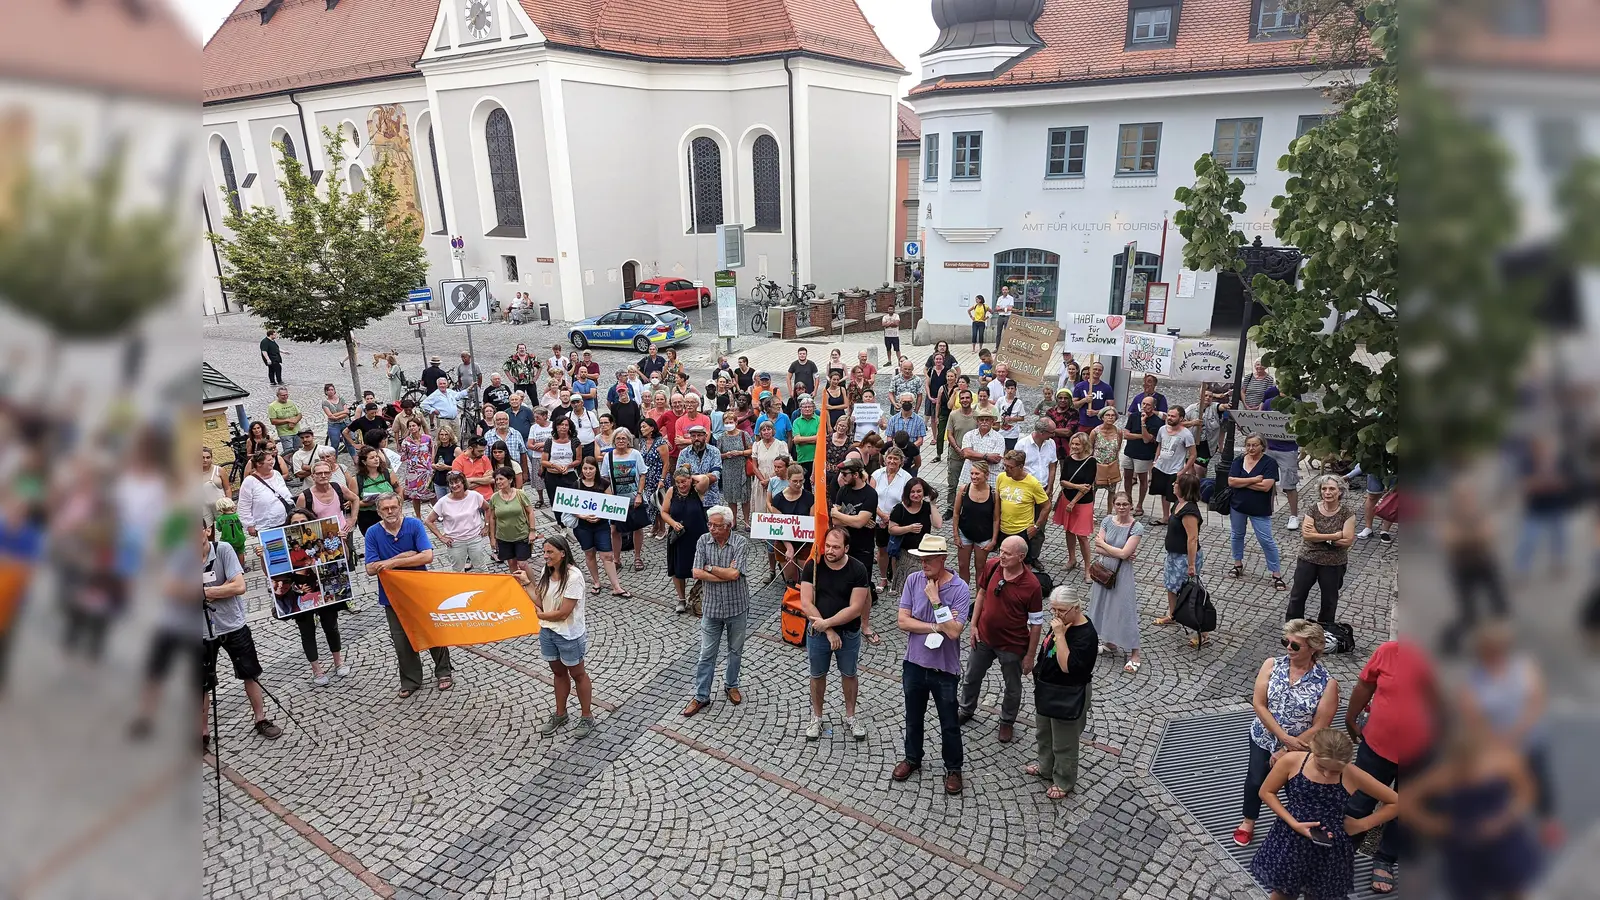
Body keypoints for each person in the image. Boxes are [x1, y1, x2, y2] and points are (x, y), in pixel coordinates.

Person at [1404, 715, 1543, 900]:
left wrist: (1506, 818)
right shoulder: (1444, 775)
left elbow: (1526, 791)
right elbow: (1406, 801)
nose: (1469, 772)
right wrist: (1435, 825)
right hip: (1464, 847)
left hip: (1503, 840)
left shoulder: (1503, 763)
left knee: (1513, 888)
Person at [1249, 729, 1399, 900]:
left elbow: (1396, 802)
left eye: (1335, 771)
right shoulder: (1293, 761)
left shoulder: (1353, 774)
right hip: (1290, 839)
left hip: (1329, 847)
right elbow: (1266, 792)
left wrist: (1361, 825)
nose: (1327, 774)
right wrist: (1293, 822)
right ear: (1312, 749)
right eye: (1321, 767)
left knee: (1319, 895)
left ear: (1347, 761)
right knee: (1283, 893)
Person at [1343, 638, 1437, 894]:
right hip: (1376, 747)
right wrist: (1351, 715)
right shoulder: (1389, 651)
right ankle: (1343, 852)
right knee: (1359, 800)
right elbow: (1366, 684)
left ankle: (1385, 858)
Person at [1234, 619, 1339, 847]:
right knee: (1254, 781)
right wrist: (1281, 737)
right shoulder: (1272, 665)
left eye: (1295, 645)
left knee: (1298, 791)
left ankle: (1295, 830)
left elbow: (1320, 725)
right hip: (1263, 737)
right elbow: (1259, 704)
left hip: (1300, 748)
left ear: (1313, 649)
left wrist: (1288, 748)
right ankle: (1248, 821)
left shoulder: (1327, 684)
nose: (1288, 649)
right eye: (1286, 642)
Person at [1459, 622, 1558, 850]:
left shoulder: (1523, 668)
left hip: (1530, 740)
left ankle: (1547, 822)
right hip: (1497, 747)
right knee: (1503, 791)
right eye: (1488, 649)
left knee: (1540, 781)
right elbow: (1471, 714)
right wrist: (1494, 740)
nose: (1494, 653)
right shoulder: (1475, 678)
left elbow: (1536, 701)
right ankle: (1508, 832)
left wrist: (1516, 732)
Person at [893, 535, 971, 795]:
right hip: (914, 663)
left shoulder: (960, 589)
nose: (923, 563)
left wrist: (936, 601)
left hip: (945, 669)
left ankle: (953, 768)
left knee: (949, 722)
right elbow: (903, 621)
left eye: (928, 559)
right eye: (921, 558)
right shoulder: (914, 580)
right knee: (913, 718)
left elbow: (954, 632)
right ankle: (912, 758)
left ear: (942, 559)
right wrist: (935, 625)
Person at [958, 534, 1043, 743]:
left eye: (1007, 553)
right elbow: (981, 595)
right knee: (971, 677)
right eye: (1001, 551)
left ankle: (1007, 721)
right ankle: (966, 709)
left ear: (1021, 557)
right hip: (984, 637)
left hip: (1012, 645)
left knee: (1012, 687)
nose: (1002, 556)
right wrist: (973, 625)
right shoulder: (993, 566)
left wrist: (1030, 656)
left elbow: (1036, 624)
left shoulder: (1032, 586)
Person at [365, 493, 452, 696]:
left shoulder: (414, 525)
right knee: (401, 639)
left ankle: (443, 671)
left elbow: (427, 555)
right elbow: (370, 568)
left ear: (400, 506)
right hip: (392, 596)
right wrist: (408, 555)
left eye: (393, 507)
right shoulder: (372, 533)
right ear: (379, 511)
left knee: (432, 631)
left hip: (420, 591)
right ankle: (411, 680)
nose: (390, 512)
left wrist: (391, 562)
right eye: (385, 509)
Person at [520, 536, 596, 740]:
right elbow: (540, 600)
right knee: (558, 673)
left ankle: (587, 716)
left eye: (550, 552)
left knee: (578, 674)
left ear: (563, 553)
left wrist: (541, 616)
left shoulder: (574, 577)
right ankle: (560, 714)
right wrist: (527, 583)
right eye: (544, 552)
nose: (545, 556)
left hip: (569, 634)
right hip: (548, 633)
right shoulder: (547, 571)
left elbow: (563, 613)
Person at [799, 527, 872, 741]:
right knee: (817, 675)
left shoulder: (858, 569)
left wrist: (828, 623)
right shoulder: (813, 564)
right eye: (827, 545)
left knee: (849, 674)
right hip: (819, 633)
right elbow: (806, 602)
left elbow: (856, 608)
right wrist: (829, 631)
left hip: (848, 633)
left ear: (846, 548)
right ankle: (817, 717)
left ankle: (850, 716)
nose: (829, 550)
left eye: (836, 547)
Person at [1026, 588, 1097, 799]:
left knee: (1064, 741)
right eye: (1053, 609)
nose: (1057, 615)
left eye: (1062, 610)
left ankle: (1064, 780)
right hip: (1048, 688)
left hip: (1068, 693)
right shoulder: (1062, 622)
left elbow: (1067, 666)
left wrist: (1059, 635)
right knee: (1044, 732)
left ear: (1076, 607)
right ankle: (1045, 767)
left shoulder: (1085, 634)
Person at [682, 506, 751, 715]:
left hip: (737, 606)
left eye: (717, 526)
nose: (712, 529)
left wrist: (709, 567)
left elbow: (735, 575)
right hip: (711, 608)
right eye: (710, 524)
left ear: (728, 526)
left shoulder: (740, 542)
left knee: (735, 651)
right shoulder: (703, 541)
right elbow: (695, 572)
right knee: (706, 654)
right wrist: (723, 572)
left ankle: (731, 684)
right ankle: (701, 695)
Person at [1087, 491, 1146, 673]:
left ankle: (1135, 653)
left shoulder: (1136, 528)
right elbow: (1098, 549)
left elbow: (1122, 553)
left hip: (1121, 574)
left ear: (1130, 505)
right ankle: (1109, 641)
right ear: (1114, 505)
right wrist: (1118, 551)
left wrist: (1106, 546)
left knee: (1125, 609)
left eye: (1125, 504)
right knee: (1102, 605)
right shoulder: (1107, 521)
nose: (1121, 507)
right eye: (1118, 504)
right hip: (1104, 571)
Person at [1286, 474, 1357, 625]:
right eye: (1324, 489)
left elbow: (1347, 541)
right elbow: (1307, 536)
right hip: (1308, 558)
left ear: (1340, 492)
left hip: (1334, 563)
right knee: (1297, 596)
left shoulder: (1347, 513)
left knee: (1329, 600)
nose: (1327, 492)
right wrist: (1334, 536)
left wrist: (1319, 536)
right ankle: (1292, 627)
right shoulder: (1313, 509)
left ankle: (1325, 629)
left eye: (1332, 488)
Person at [1153, 471, 1209, 645]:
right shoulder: (1178, 503)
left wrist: (1191, 565)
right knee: (1171, 586)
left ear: (1183, 488)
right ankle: (1173, 615)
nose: (1173, 485)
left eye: (1176, 483)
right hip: (1174, 554)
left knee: (1190, 593)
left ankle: (1203, 633)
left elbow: (1192, 539)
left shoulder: (1189, 511)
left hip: (1185, 558)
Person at [830, 459, 881, 644]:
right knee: (840, 582)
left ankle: (865, 625)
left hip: (863, 549)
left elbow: (857, 522)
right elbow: (835, 521)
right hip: (844, 545)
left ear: (856, 475)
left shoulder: (870, 494)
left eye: (845, 474)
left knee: (864, 587)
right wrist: (854, 520)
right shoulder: (843, 490)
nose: (841, 478)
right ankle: (841, 618)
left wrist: (848, 518)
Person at [1229, 433, 1287, 590]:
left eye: (1254, 445)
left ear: (1262, 446)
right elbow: (1231, 481)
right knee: (1237, 535)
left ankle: (1276, 573)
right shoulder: (1239, 460)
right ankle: (1237, 563)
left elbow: (1266, 486)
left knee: (1266, 540)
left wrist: (1242, 482)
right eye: (1248, 445)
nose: (1251, 448)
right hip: (1238, 506)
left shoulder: (1270, 463)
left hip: (1259, 509)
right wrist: (1254, 480)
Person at [571, 457, 626, 596]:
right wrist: (583, 516)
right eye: (585, 468)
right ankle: (596, 582)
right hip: (583, 526)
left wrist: (600, 516)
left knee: (607, 555)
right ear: (581, 469)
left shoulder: (604, 483)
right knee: (589, 553)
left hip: (601, 525)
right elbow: (570, 507)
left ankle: (616, 586)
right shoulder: (576, 485)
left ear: (596, 469)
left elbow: (611, 503)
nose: (588, 471)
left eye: (591, 468)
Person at [659, 466, 710, 613]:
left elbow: (705, 479)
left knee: (701, 565)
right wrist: (673, 523)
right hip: (678, 535)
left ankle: (700, 595)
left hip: (698, 534)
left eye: (684, 481)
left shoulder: (697, 490)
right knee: (678, 568)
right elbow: (664, 512)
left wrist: (690, 475)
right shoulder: (671, 491)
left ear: (690, 480)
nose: (681, 485)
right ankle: (681, 598)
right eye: (678, 482)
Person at [426, 471, 491, 572]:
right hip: (455, 542)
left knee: (481, 567)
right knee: (458, 571)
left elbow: (488, 508)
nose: (454, 485)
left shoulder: (474, 496)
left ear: (463, 482)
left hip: (474, 538)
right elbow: (429, 521)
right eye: (451, 483)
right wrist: (441, 537)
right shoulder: (443, 502)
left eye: (457, 482)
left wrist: (486, 526)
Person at [1259, 383, 1303, 531]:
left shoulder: (1297, 405)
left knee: (1289, 484)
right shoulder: (1268, 403)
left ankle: (1294, 515)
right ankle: (1267, 510)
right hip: (1269, 447)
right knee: (1267, 482)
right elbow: (1260, 420)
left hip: (1288, 449)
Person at [604, 428, 648, 572]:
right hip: (617, 500)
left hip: (634, 497)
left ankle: (637, 557)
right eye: (618, 438)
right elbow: (605, 478)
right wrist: (610, 497)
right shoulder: (608, 457)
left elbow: (642, 475)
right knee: (614, 530)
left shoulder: (635, 454)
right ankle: (616, 559)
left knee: (637, 528)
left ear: (629, 440)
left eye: (624, 438)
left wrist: (639, 494)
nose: (621, 441)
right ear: (614, 440)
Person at [997, 448, 1051, 566]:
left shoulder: (1033, 483)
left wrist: (1036, 526)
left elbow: (1047, 506)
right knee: (1004, 562)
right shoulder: (1001, 477)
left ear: (1021, 466)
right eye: (1005, 465)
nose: (1007, 470)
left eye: (1010, 467)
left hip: (1022, 531)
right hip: (1004, 529)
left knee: (1023, 565)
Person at [237, 450, 293, 561]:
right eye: (269, 460)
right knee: (273, 554)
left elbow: (285, 493)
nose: (273, 461)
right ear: (259, 464)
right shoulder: (249, 482)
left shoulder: (277, 474)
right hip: (267, 525)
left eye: (272, 458)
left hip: (285, 520)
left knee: (291, 551)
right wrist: (249, 524)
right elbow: (244, 505)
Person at [1055, 432, 1097, 574]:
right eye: (1073, 443)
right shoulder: (1068, 459)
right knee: (1068, 530)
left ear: (1085, 445)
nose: (1074, 446)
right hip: (1067, 499)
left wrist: (1073, 501)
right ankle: (1072, 558)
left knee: (1082, 536)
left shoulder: (1091, 461)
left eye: (1077, 444)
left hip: (1082, 502)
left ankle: (1087, 568)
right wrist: (1077, 486)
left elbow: (1087, 486)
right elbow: (1062, 481)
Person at [872, 447, 913, 589]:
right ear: (884, 459)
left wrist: (891, 518)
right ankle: (883, 578)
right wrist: (882, 516)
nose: (892, 461)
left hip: (896, 521)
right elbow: (871, 498)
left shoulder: (906, 478)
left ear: (901, 461)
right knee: (882, 550)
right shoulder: (877, 474)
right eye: (889, 458)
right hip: (879, 519)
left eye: (896, 458)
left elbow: (906, 501)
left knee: (896, 552)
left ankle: (895, 581)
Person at [486, 465, 537, 575]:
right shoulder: (494, 498)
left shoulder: (520, 494)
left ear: (510, 479)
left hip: (521, 535)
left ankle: (532, 587)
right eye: (496, 479)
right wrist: (492, 538)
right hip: (504, 537)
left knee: (522, 563)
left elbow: (530, 512)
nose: (498, 482)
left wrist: (532, 531)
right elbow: (492, 518)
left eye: (501, 479)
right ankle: (517, 586)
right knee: (511, 562)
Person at [953, 460, 998, 584]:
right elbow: (956, 513)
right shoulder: (964, 489)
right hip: (965, 533)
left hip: (984, 535)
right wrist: (956, 535)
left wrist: (994, 540)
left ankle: (979, 599)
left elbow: (996, 518)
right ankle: (963, 596)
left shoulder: (994, 494)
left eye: (977, 474)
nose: (973, 477)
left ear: (986, 475)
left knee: (981, 568)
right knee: (962, 566)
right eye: (972, 473)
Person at [1149, 405, 1196, 525]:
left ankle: (1176, 517)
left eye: (1173, 416)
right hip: (1161, 467)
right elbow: (1159, 445)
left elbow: (1192, 455)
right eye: (1169, 415)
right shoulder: (1162, 429)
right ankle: (1165, 517)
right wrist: (1155, 461)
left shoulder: (1186, 434)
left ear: (1181, 418)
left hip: (1175, 470)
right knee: (1164, 493)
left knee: (1176, 495)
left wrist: (1183, 471)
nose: (1169, 418)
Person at [1119, 395, 1160, 517]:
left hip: (1144, 455)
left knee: (1143, 479)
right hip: (1129, 451)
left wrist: (1143, 424)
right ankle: (1129, 501)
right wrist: (1140, 436)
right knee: (1127, 477)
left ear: (1153, 407)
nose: (1145, 406)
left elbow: (1148, 440)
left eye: (1148, 404)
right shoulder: (1134, 416)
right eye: (1143, 404)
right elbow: (1125, 434)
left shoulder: (1157, 421)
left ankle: (1140, 504)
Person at [943, 389, 978, 515]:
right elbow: (950, 434)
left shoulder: (977, 415)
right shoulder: (953, 415)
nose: (964, 400)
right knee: (952, 483)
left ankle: (967, 507)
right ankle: (950, 508)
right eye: (962, 398)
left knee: (971, 483)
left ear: (971, 399)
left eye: (967, 398)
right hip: (955, 455)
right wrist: (958, 449)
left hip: (971, 457)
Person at [716, 416, 753, 529]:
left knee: (745, 497)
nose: (728, 424)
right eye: (726, 422)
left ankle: (747, 521)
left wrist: (740, 452)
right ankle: (733, 521)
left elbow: (751, 450)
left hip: (742, 468)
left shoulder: (743, 435)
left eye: (731, 422)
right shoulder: (721, 437)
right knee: (731, 497)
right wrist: (725, 455)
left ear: (736, 422)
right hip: (728, 470)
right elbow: (717, 454)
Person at [677, 422, 723, 508]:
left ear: (706, 436)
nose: (696, 438)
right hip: (689, 499)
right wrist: (704, 478)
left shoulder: (714, 452)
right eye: (693, 436)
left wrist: (691, 478)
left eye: (699, 435)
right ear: (690, 438)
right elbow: (679, 476)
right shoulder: (684, 453)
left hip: (711, 499)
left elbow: (714, 476)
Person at [959, 403, 1005, 488]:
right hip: (969, 477)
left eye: (987, 419)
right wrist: (987, 456)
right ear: (977, 421)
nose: (984, 422)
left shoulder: (999, 438)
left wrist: (973, 455)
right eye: (982, 419)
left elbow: (996, 459)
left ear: (992, 422)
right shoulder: (969, 435)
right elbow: (966, 454)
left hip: (990, 479)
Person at [397, 418, 435, 520]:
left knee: (431, 492)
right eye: (409, 426)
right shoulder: (406, 441)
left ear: (419, 426)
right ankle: (418, 516)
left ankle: (436, 513)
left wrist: (432, 463)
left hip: (427, 470)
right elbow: (403, 457)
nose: (411, 428)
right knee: (415, 495)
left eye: (413, 426)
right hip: (413, 471)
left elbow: (432, 451)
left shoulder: (427, 438)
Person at [750, 420, 787, 516]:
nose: (766, 432)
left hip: (777, 480)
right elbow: (754, 466)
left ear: (773, 430)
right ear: (760, 433)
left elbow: (784, 464)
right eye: (763, 430)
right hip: (760, 481)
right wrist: (763, 481)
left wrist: (769, 480)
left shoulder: (781, 444)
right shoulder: (756, 445)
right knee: (761, 509)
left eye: (769, 429)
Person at [451, 435, 495, 503]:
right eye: (480, 451)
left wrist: (471, 479)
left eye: (483, 451)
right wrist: (483, 479)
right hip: (469, 500)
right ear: (470, 448)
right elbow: (461, 486)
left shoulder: (485, 459)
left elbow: (491, 479)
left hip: (487, 498)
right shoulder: (457, 462)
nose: (482, 453)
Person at [1074, 361, 1111, 432]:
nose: (1097, 371)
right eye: (1095, 369)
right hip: (1083, 424)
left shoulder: (1107, 388)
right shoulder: (1080, 386)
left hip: (1099, 425)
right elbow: (1075, 405)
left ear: (1102, 372)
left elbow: (1111, 407)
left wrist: (1096, 412)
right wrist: (1084, 400)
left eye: (1099, 370)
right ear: (1090, 370)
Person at [266, 386, 303, 455]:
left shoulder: (291, 402)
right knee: (288, 453)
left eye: (286, 395)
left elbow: (299, 414)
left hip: (297, 431)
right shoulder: (272, 406)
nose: (285, 397)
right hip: (285, 433)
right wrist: (287, 420)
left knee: (299, 451)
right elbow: (273, 421)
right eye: (283, 395)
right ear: (278, 395)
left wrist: (295, 421)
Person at [996, 380, 1026, 452]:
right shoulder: (1000, 400)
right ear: (1005, 389)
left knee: (1010, 451)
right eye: (1008, 388)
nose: (1010, 391)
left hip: (1012, 433)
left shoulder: (1019, 403)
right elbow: (995, 413)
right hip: (1000, 431)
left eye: (1012, 388)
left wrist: (1011, 419)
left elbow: (1022, 418)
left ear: (1015, 389)